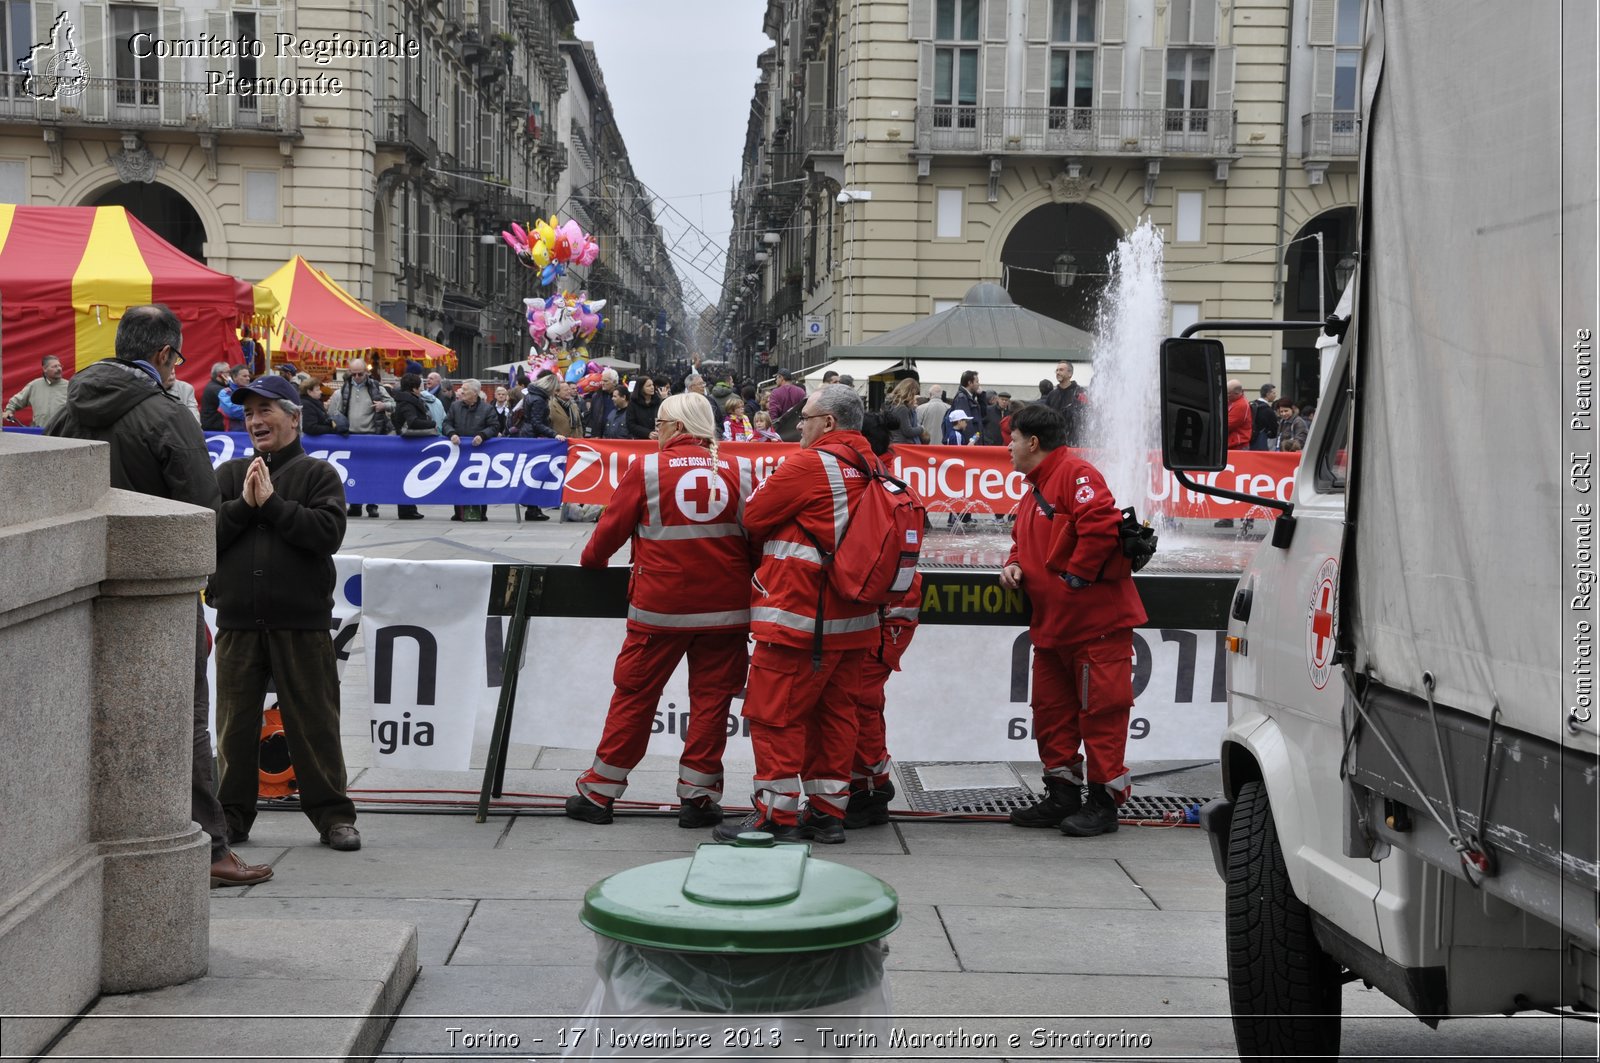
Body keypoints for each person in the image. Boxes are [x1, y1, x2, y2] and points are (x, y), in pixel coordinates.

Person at [46, 303, 272, 888]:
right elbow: (201, 518)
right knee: (187, 722)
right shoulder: (167, 414)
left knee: (80, 719)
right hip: (157, 598)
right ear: (166, 356)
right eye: (178, 358)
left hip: (78, 595)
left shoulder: (69, 407)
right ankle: (213, 848)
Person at [566, 393, 752, 829]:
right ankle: (700, 797)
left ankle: (600, 792)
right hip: (726, 611)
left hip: (660, 609)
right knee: (711, 702)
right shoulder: (741, 470)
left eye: (661, 423)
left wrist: (592, 565)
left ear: (678, 426)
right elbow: (756, 537)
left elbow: (608, 533)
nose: (656, 432)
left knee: (635, 696)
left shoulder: (648, 469)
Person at [714, 383, 881, 844]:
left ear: (827, 423)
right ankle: (827, 813)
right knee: (836, 717)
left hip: (800, 614)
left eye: (804, 418)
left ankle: (774, 815)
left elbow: (754, 514)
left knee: (775, 716)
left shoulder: (809, 463)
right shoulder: (872, 464)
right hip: (855, 620)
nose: (798, 426)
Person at [210, 373, 360, 854]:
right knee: (234, 728)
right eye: (249, 413)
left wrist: (272, 505)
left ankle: (333, 816)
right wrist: (243, 507)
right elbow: (203, 535)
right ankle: (230, 816)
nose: (255, 421)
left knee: (314, 722)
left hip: (301, 622)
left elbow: (326, 535)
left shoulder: (318, 475)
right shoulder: (230, 476)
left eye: (265, 411)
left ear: (294, 418)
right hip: (238, 622)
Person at [1000, 403, 1147, 837]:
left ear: (1032, 442)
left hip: (1093, 627)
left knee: (1101, 716)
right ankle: (1061, 795)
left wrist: (1074, 580)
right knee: (1051, 715)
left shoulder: (1075, 474)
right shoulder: (1036, 487)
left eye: (1011, 439)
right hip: (1054, 629)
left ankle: (1103, 804)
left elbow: (1100, 525)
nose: (1007, 447)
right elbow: (1022, 542)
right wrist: (1012, 566)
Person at [845, 428, 921, 830]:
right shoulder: (888, 482)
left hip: (879, 616)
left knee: (861, 704)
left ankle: (872, 788)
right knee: (861, 704)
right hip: (889, 614)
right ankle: (867, 784)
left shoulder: (867, 485)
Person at [444, 379, 499, 522]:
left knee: (479, 482)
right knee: (458, 481)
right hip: (459, 452)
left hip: (479, 453)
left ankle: (481, 512)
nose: (461, 391)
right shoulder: (455, 406)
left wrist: (482, 435)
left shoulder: (487, 409)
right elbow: (446, 423)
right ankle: (459, 512)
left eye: (465, 389)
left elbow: (494, 426)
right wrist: (452, 434)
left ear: (475, 393)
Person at [1216, 379, 1252, 528]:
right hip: (1233, 446)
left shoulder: (1240, 405)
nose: (1226, 396)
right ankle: (1232, 516)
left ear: (1237, 393)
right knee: (1231, 483)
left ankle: (1245, 517)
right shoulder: (1236, 402)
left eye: (1228, 394)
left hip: (1238, 447)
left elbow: (1227, 425)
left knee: (1237, 484)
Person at [4, 355, 69, 428]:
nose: (59, 369)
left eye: (60, 366)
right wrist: (9, 410)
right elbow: (17, 400)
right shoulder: (35, 385)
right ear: (45, 369)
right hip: (40, 433)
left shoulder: (69, 386)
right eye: (55, 366)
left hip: (62, 433)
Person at [1043, 361, 1088, 445]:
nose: (1058, 373)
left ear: (1070, 374)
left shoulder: (1080, 393)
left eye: (1061, 370)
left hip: (1075, 442)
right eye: (1056, 370)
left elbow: (1085, 416)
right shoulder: (1052, 395)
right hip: (1055, 442)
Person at [882, 377, 923, 444]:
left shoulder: (891, 405)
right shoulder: (902, 408)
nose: (915, 397)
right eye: (914, 394)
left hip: (894, 443)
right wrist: (921, 429)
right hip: (903, 444)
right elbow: (908, 431)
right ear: (909, 393)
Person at [949, 370, 985, 443]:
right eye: (977, 381)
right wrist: (971, 442)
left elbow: (984, 414)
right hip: (971, 442)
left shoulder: (970, 397)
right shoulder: (962, 398)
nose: (979, 384)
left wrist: (981, 396)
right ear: (970, 383)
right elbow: (964, 422)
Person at [624, 374, 661, 440]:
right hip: (640, 440)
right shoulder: (633, 403)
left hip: (658, 438)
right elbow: (630, 424)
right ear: (641, 388)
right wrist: (648, 433)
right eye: (648, 386)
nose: (652, 387)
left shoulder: (658, 402)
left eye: (652, 385)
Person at [218, 363, 252, 432]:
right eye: (244, 376)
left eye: (248, 376)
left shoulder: (252, 391)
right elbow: (232, 411)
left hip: (251, 432)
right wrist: (251, 410)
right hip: (234, 434)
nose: (248, 378)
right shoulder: (225, 392)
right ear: (234, 377)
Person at [200, 361, 231, 430]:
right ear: (220, 374)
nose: (230, 375)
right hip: (214, 428)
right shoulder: (216, 389)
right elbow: (231, 407)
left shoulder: (215, 385)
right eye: (228, 372)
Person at [1250, 383, 1279, 451]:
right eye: (1274, 393)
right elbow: (1274, 429)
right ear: (1268, 394)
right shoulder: (1268, 410)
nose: (1275, 395)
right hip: (1261, 441)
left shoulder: (1252, 405)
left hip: (1250, 438)